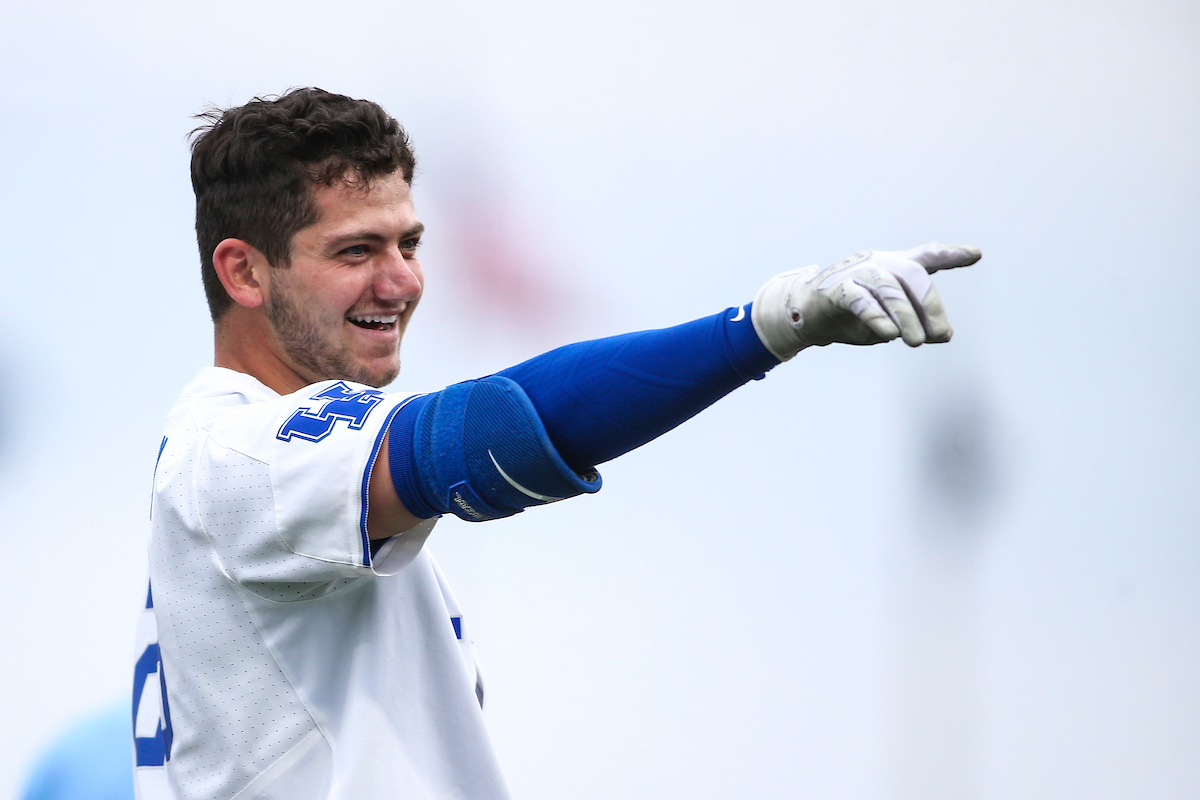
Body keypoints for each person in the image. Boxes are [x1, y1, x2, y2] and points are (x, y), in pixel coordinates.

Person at [131, 87, 980, 800]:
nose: (401, 281)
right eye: (356, 250)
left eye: (409, 243)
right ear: (243, 272)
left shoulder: (248, 466)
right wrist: (761, 328)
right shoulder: (241, 455)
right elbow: (485, 435)